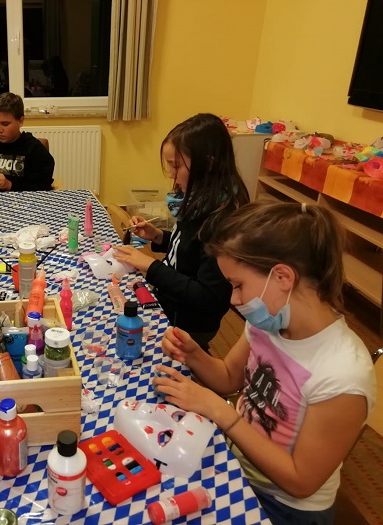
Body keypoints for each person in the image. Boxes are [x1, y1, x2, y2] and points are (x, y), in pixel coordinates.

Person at [156, 201, 376, 525]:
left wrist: (221, 413)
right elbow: (229, 378)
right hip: (238, 461)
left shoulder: (343, 373)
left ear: (283, 276)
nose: (233, 299)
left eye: (238, 285)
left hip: (283, 505)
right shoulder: (269, 321)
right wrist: (193, 354)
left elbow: (300, 481)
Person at [114, 113, 249, 349]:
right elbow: (190, 249)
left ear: (208, 164)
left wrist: (150, 266)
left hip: (188, 323)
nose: (171, 175)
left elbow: (208, 296)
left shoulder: (223, 221)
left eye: (176, 166)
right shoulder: (199, 198)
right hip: (172, 301)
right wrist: (158, 236)